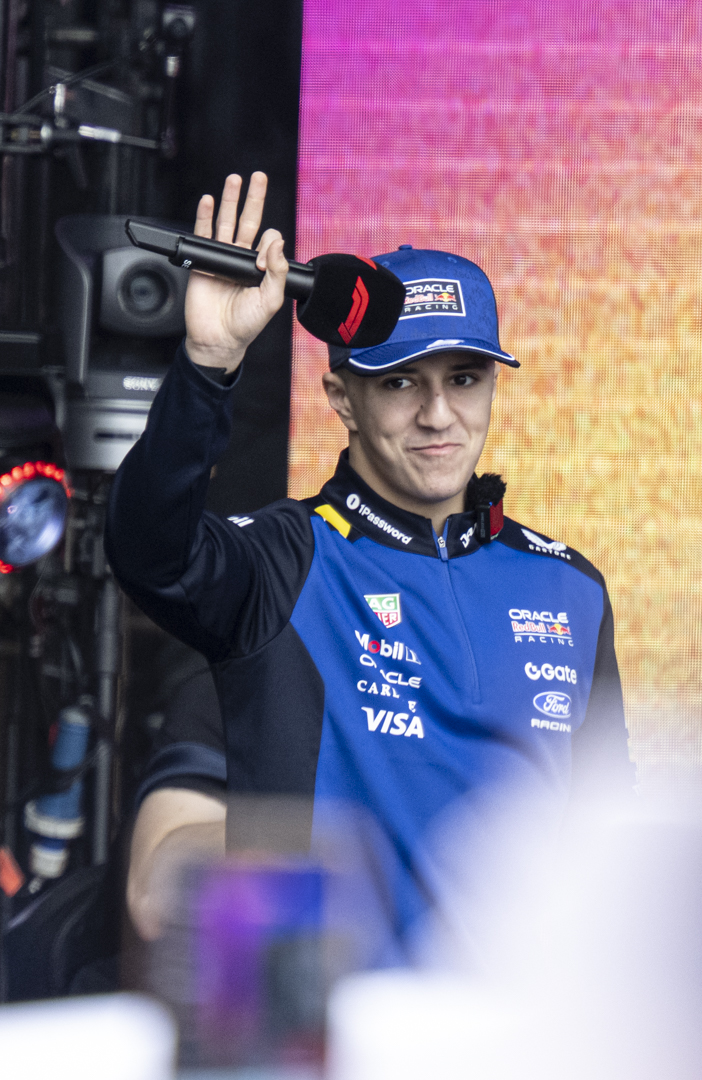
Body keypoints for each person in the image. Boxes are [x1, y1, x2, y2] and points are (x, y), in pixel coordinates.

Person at [108, 172, 634, 948]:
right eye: (399, 382)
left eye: (464, 379)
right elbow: (149, 551)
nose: (438, 414)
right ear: (341, 398)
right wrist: (207, 365)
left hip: (515, 1020)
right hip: (334, 1019)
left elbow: (614, 849)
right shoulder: (285, 559)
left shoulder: (570, 586)